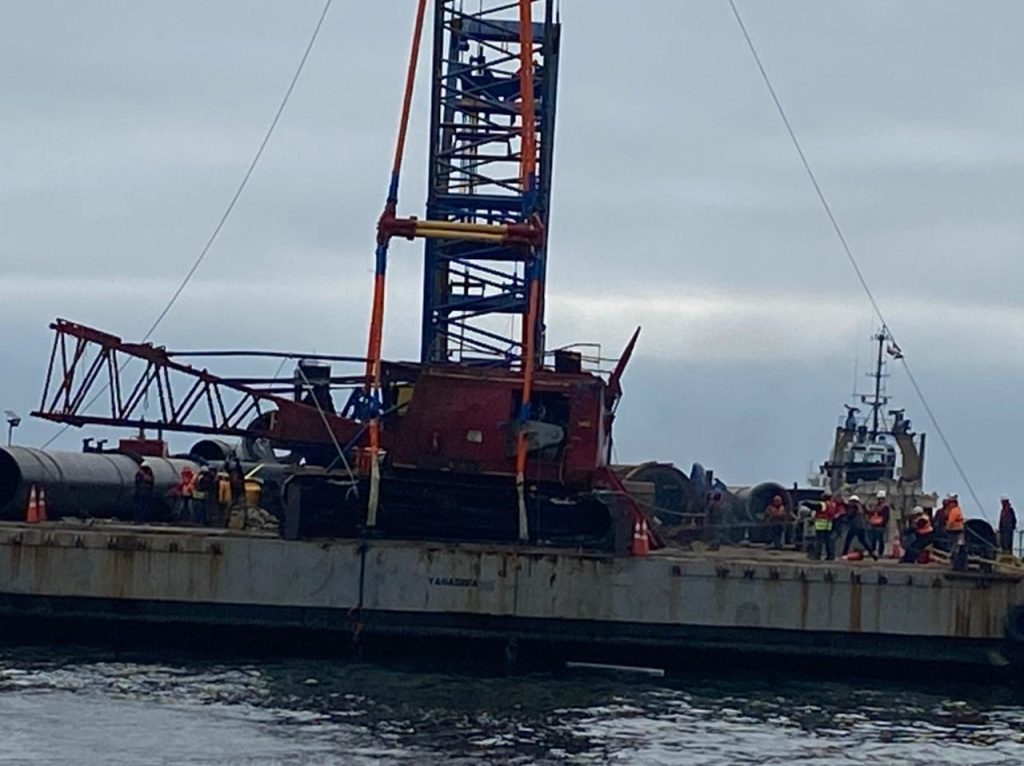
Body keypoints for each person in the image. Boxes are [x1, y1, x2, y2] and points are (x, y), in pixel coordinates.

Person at [842, 495, 878, 561]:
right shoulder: (860, 506)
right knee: (863, 541)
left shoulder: (853, 506)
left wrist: (845, 518)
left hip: (855, 526)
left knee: (848, 540)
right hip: (862, 526)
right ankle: (872, 554)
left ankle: (844, 554)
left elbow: (850, 514)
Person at [813, 491, 838, 561]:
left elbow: (817, 509)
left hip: (820, 525)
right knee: (828, 541)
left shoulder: (823, 504)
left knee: (819, 541)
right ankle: (830, 555)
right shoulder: (833, 504)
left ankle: (817, 555)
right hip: (828, 524)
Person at [867, 490, 891, 558]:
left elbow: (886, 517)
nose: (880, 500)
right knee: (873, 539)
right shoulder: (877, 506)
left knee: (880, 539)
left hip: (880, 526)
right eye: (879, 498)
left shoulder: (885, 506)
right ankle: (873, 551)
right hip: (875, 524)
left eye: (881, 498)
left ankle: (880, 552)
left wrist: (883, 524)